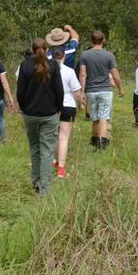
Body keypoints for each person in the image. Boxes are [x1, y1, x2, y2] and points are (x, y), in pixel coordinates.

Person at [16, 36, 63, 195]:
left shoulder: (25, 66)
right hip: (49, 113)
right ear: (47, 49)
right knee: (47, 150)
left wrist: (24, 108)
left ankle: (36, 182)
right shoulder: (53, 66)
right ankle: (45, 187)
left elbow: (20, 92)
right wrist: (58, 108)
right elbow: (59, 90)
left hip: (30, 113)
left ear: (32, 49)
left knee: (35, 148)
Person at [77, 30, 123, 150]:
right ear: (103, 40)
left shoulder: (85, 55)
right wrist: (120, 88)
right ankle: (102, 144)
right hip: (105, 91)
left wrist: (82, 92)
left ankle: (95, 139)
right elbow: (115, 75)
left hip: (90, 91)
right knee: (104, 117)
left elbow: (82, 75)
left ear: (91, 40)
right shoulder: (109, 55)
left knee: (95, 117)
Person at [52, 39, 83, 179]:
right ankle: (61, 169)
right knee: (64, 138)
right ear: (64, 56)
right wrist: (82, 103)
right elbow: (77, 91)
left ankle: (55, 161)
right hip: (68, 106)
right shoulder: (69, 72)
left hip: (52, 107)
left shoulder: (47, 71)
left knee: (55, 136)